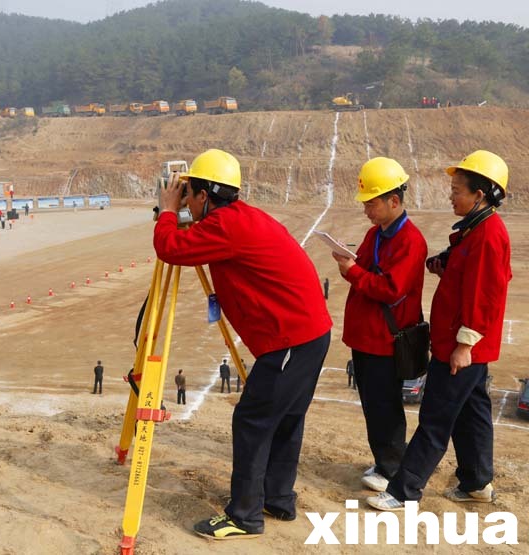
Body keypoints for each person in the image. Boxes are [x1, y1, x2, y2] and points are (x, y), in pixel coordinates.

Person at [154, 148, 332, 539]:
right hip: (309, 333)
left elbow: (169, 248)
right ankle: (277, 498)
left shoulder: (226, 226)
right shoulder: (242, 217)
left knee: (252, 421)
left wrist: (169, 211)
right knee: (285, 419)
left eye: (190, 193)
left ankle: (245, 515)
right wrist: (181, 216)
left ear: (203, 196)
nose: (186, 200)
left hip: (290, 338)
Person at [368, 150, 511, 512]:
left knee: (435, 419)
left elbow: (485, 297)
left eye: (457, 189)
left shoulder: (489, 235)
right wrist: (442, 262)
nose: (451, 195)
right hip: (459, 343)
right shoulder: (474, 229)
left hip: (461, 348)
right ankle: (477, 481)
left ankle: (404, 491)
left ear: (480, 194)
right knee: (472, 412)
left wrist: (464, 346)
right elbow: (463, 274)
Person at [332, 157, 427, 493]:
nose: (366, 211)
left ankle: (392, 468)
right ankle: (385, 459)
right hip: (366, 336)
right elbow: (366, 273)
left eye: (371, 203)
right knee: (374, 405)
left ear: (394, 201)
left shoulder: (410, 241)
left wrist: (351, 271)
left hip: (385, 341)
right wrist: (350, 263)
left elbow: (390, 289)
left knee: (385, 407)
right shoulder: (376, 233)